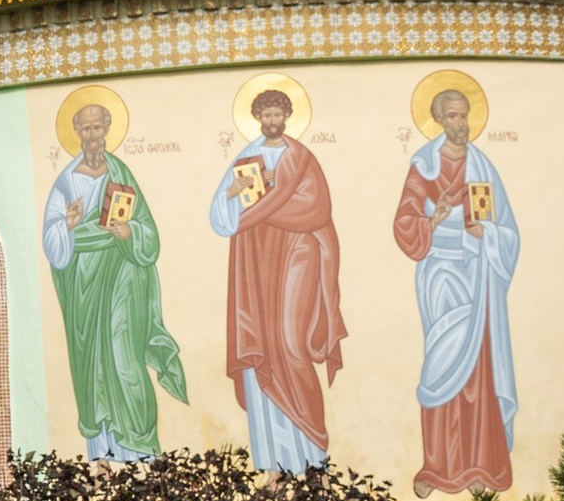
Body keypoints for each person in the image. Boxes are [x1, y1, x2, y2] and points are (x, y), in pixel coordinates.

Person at [208, 85, 344, 469]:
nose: (271, 121)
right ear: (257, 118)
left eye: (276, 114)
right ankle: (273, 464)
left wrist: (267, 203)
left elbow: (317, 207)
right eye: (264, 115)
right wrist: (235, 193)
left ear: (286, 117)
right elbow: (220, 217)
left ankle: (313, 452)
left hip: (298, 254)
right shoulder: (245, 158)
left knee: (290, 344)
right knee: (261, 350)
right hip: (257, 264)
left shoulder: (301, 158)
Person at [394, 84, 519, 498]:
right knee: (440, 363)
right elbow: (404, 223)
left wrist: (487, 233)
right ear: (439, 120)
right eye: (452, 116)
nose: (460, 123)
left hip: (476, 273)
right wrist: (433, 220)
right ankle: (437, 466)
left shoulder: (485, 169)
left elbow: (509, 232)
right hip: (438, 273)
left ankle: (482, 463)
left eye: (464, 115)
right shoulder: (423, 166)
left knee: (478, 370)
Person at [43, 99, 185, 459]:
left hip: (123, 277)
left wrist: (129, 233)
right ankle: (102, 456)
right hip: (83, 283)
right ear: (77, 133)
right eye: (85, 128)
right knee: (91, 365)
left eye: (97, 127)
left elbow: (147, 231)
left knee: (125, 357)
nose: (92, 135)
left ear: (107, 130)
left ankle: (138, 450)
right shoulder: (65, 181)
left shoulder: (122, 174)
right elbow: (52, 240)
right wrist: (69, 226)